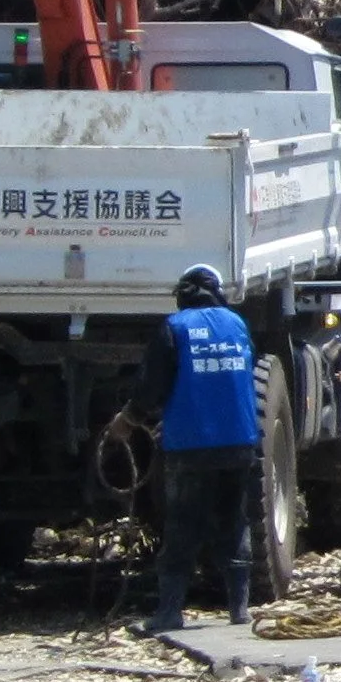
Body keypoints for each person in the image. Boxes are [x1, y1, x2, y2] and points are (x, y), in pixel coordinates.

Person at [134, 264, 259, 631]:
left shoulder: (175, 327)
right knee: (234, 520)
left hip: (191, 445)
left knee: (184, 525)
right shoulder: (237, 324)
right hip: (239, 441)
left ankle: (169, 612)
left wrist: (131, 419)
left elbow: (151, 385)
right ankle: (240, 609)